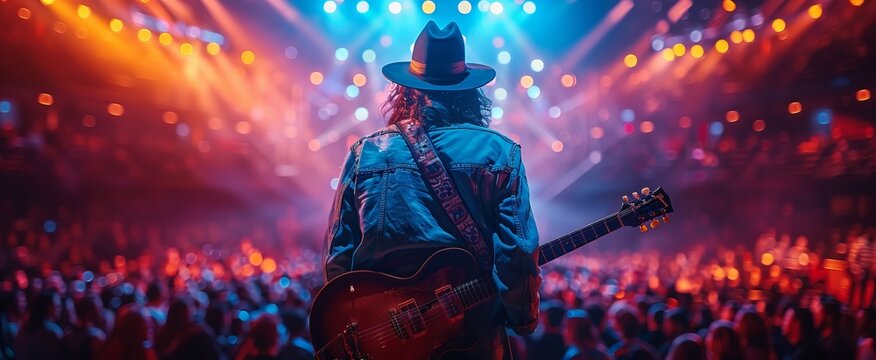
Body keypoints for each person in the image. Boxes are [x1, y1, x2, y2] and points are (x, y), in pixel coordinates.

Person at [323, 20, 541, 359]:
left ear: (407, 89)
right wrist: (522, 319)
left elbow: (339, 256)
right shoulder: (500, 154)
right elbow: (516, 254)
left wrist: (359, 332)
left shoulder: (365, 153)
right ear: (469, 90)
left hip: (383, 345)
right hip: (470, 340)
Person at [13, 290, 64, 360]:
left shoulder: (23, 329)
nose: (60, 308)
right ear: (47, 307)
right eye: (57, 306)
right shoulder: (53, 331)